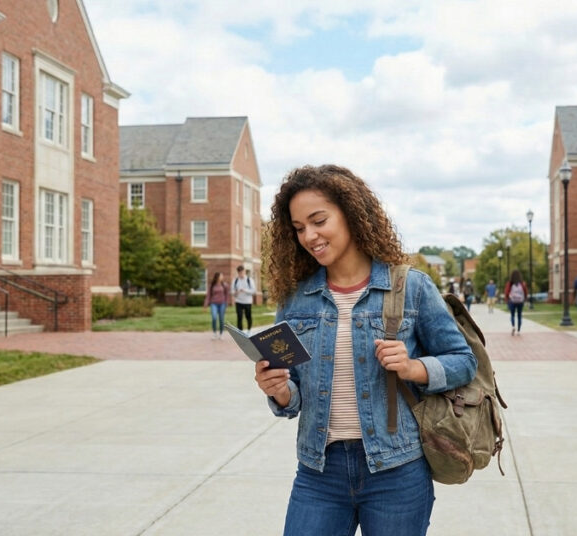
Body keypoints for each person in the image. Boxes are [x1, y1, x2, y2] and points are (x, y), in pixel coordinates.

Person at [253, 164, 476, 535]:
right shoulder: (295, 300)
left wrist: (413, 368)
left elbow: (464, 362)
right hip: (319, 473)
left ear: (351, 214)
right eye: (299, 228)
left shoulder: (411, 287)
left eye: (318, 220)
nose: (309, 235)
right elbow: (292, 397)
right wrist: (278, 390)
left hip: (397, 471)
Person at [204, 271, 230, 340]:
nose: (222, 277)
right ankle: (214, 333)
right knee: (214, 318)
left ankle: (221, 334)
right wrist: (205, 305)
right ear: (217, 277)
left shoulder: (225, 285)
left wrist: (226, 305)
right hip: (214, 304)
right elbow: (208, 295)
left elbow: (227, 296)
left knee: (221, 319)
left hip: (222, 304)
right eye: (221, 276)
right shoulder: (212, 286)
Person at [504, 270, 528, 336]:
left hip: (512, 301)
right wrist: (525, 299)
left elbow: (506, 292)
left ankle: (513, 326)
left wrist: (507, 300)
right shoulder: (522, 283)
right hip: (520, 301)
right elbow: (525, 292)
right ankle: (519, 331)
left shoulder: (510, 283)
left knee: (512, 315)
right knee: (519, 315)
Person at [233, 265, 256, 333]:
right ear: (238, 272)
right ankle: (240, 331)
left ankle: (249, 330)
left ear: (244, 272)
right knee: (239, 317)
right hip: (238, 301)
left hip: (247, 302)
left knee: (248, 316)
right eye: (240, 273)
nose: (241, 274)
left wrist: (245, 290)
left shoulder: (249, 280)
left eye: (242, 272)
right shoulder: (236, 280)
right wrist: (236, 292)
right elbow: (232, 291)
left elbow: (253, 290)